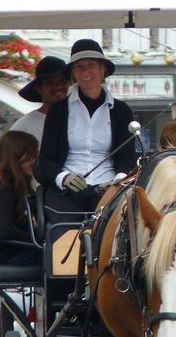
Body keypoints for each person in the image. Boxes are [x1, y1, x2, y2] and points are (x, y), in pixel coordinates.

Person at [36, 39, 137, 222]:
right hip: (67, 191)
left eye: (91, 65)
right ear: (74, 74)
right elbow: (46, 159)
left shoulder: (122, 111)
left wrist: (118, 181)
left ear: (103, 70)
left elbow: (128, 156)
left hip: (109, 189)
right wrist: (63, 177)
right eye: (79, 67)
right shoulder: (59, 110)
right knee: (63, 235)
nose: (86, 72)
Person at [0, 132, 41, 267]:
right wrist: (38, 241)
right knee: (59, 261)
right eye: (32, 155)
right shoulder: (3, 185)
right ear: (18, 155)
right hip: (7, 256)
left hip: (4, 253)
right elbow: (5, 230)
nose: (36, 159)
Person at [11, 56, 71, 146]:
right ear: (39, 89)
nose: (58, 87)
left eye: (63, 81)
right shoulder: (24, 127)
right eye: (50, 83)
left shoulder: (81, 119)